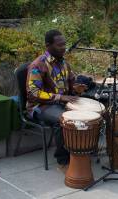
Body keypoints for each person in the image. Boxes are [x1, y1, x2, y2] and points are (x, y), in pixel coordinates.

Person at [26, 29, 87, 167]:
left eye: (64, 44)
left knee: (91, 113)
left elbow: (72, 82)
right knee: (64, 120)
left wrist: (77, 87)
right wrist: (60, 97)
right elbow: (33, 93)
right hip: (40, 106)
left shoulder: (64, 63)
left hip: (60, 102)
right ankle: (63, 160)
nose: (64, 48)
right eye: (60, 45)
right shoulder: (38, 65)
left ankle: (82, 150)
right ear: (48, 45)